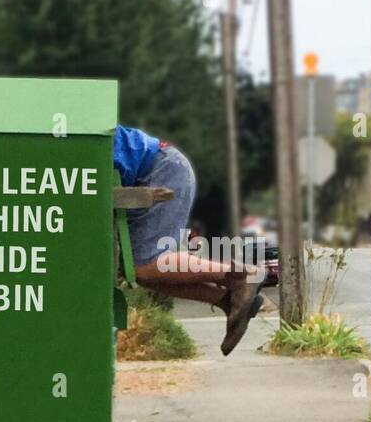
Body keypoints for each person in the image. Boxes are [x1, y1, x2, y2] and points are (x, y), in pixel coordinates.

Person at [114, 125, 268, 356]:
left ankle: (242, 276)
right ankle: (229, 300)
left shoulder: (76, 132)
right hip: (156, 170)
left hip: (160, 170)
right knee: (138, 271)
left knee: (148, 264)